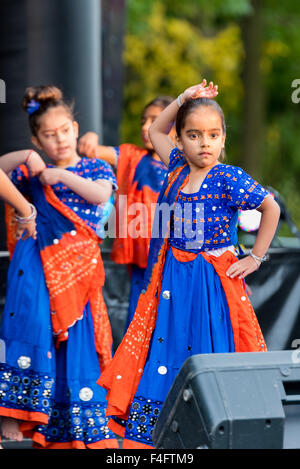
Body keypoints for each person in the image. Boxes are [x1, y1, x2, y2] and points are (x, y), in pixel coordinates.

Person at [97, 80, 281, 449]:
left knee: (208, 345)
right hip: (173, 280)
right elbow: (154, 130)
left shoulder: (228, 178)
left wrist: (255, 258)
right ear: (179, 140)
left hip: (212, 282)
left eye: (213, 135)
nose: (205, 143)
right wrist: (183, 99)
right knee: (168, 345)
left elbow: (271, 207)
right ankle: (162, 428)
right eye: (194, 134)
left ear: (224, 138)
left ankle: (213, 426)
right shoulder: (178, 167)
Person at [0, 85, 119, 449]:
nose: (60, 140)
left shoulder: (94, 166)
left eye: (65, 130)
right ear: (38, 140)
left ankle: (75, 427)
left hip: (78, 276)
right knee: (33, 327)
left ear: (76, 127)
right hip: (36, 268)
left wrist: (61, 176)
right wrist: (24, 159)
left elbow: (100, 195)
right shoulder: (32, 174)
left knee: (77, 344)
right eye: (49, 136)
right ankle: (15, 417)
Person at [79, 97, 176, 331]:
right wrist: (90, 136)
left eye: (154, 120)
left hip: (176, 259)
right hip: (142, 259)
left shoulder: (187, 165)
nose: (145, 127)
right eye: (144, 121)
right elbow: (91, 150)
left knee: (173, 322)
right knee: (139, 321)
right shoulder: (133, 156)